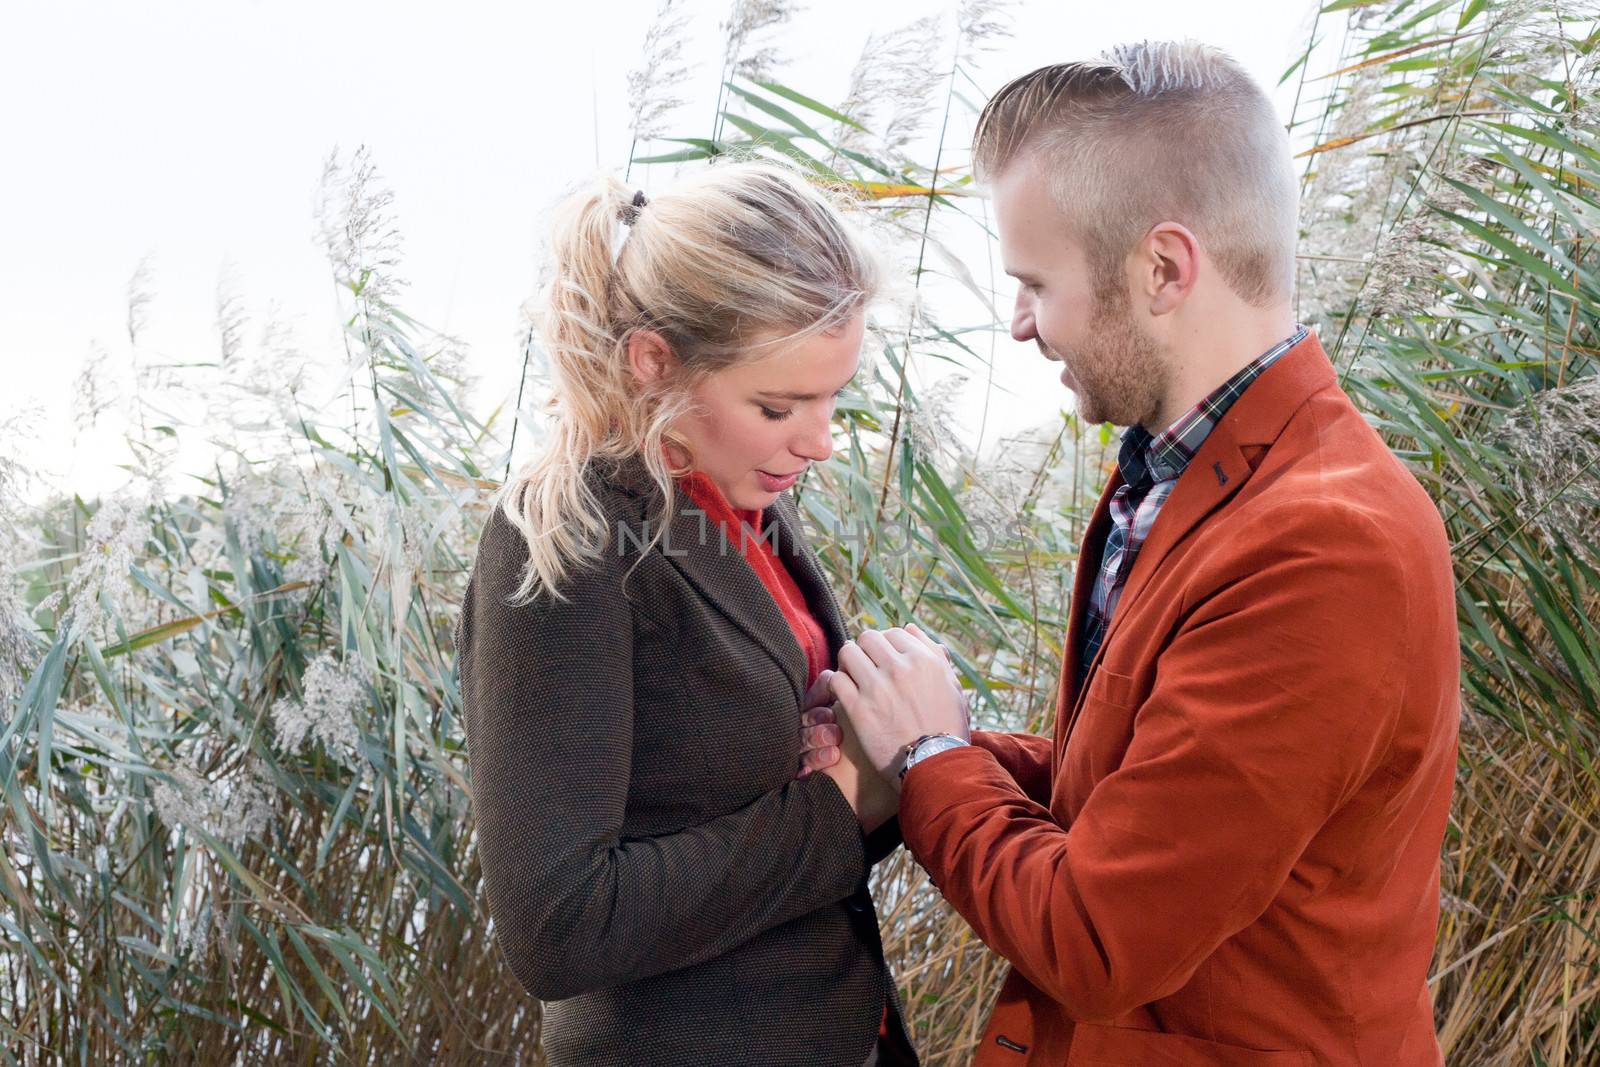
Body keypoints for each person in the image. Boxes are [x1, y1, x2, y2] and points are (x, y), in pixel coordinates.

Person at [810, 42, 1461, 1066]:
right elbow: (1133, 792)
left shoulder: (1327, 546)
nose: (1020, 324)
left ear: (1161, 268)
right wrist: (934, 738)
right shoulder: (1180, 479)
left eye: (1035, 283)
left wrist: (930, 762)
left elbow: (1100, 935)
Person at [456, 160, 919, 1066]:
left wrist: (908, 743)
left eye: (833, 397)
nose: (820, 441)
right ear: (655, 362)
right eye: (778, 404)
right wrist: (847, 801)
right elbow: (559, 925)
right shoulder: (564, 541)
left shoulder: (739, 502)